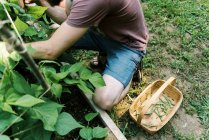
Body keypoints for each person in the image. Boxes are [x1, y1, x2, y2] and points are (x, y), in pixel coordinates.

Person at [18, 0, 149, 111]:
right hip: (99, 32)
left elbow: (51, 50)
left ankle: (129, 71)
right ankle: (107, 56)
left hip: (126, 45)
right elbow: (68, 17)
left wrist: (8, 48)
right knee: (54, 36)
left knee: (103, 100)